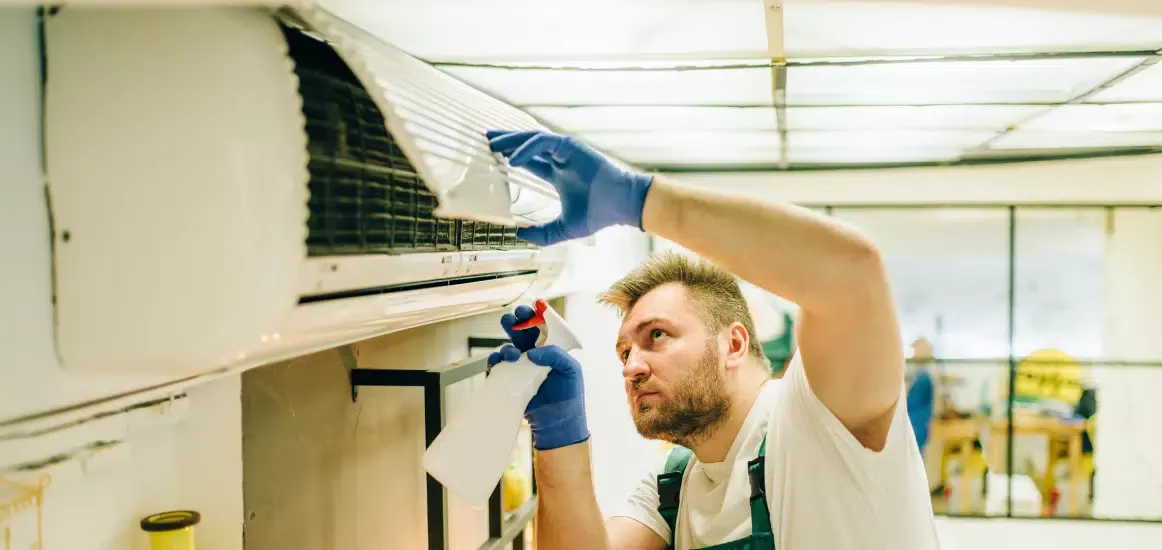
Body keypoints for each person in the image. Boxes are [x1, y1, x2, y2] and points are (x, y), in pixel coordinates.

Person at [484, 129, 938, 550]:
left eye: (656, 335)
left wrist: (641, 203)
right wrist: (558, 433)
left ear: (734, 344)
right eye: (624, 351)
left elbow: (851, 273)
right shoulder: (674, 485)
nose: (631, 367)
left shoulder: (815, 420)